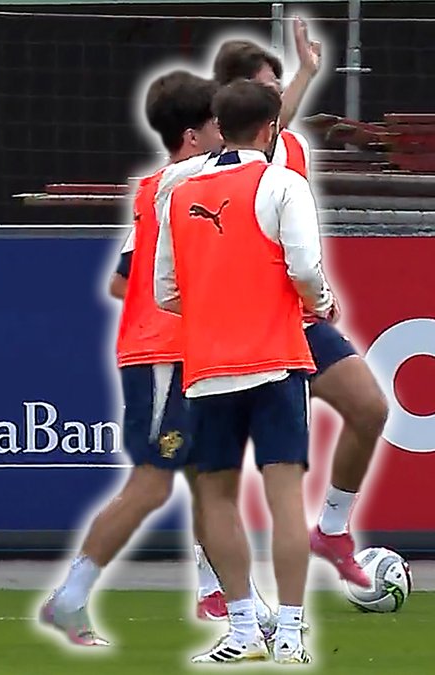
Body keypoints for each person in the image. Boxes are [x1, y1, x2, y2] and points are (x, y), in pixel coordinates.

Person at [187, 26, 381, 621]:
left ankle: (333, 530)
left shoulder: (287, 149)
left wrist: (306, 72)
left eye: (278, 88)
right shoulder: (204, 170)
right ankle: (214, 583)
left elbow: (276, 121)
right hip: (236, 329)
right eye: (267, 88)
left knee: (370, 408)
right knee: (220, 472)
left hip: (297, 321)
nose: (279, 97)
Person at [40, 70, 223, 649]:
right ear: (194, 135)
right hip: (163, 353)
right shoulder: (182, 183)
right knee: (151, 485)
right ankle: (69, 598)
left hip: (186, 350)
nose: (227, 135)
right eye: (218, 124)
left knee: (210, 481)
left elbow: (123, 280)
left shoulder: (166, 193)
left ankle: (238, 605)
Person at [156, 79, 335, 664]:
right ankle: (290, 634)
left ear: (219, 125)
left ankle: (241, 631)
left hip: (208, 366)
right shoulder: (282, 182)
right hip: (276, 359)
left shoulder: (178, 189)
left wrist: (214, 303)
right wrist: (322, 302)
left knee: (216, 500)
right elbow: (304, 268)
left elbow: (164, 291)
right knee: (285, 501)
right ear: (270, 129)